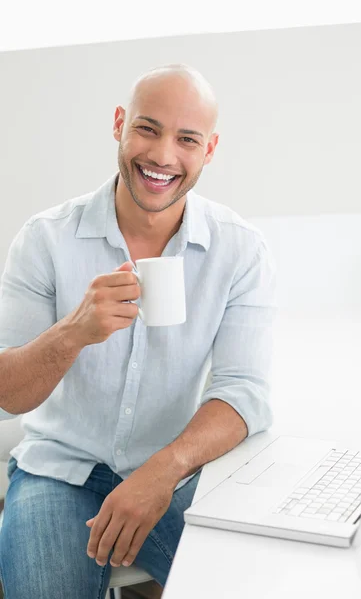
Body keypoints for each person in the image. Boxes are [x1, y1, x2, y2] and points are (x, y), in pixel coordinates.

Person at [0, 63, 276, 598]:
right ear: (120, 124)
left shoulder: (239, 249)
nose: (163, 156)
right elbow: (7, 398)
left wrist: (162, 470)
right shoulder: (46, 239)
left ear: (209, 150)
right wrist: (74, 331)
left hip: (178, 478)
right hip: (59, 471)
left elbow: (244, 392)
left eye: (187, 139)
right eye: (147, 129)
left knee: (249, 586)